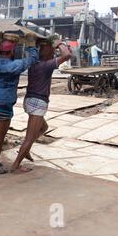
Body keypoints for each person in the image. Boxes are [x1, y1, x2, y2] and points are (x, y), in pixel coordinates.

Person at [11, 39, 72, 173]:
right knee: (29, 137)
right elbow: (67, 55)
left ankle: (26, 150)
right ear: (47, 52)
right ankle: (16, 164)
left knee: (44, 127)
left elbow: (66, 54)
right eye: (52, 49)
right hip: (38, 102)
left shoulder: (35, 63)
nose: (54, 51)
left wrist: (56, 46)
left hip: (30, 100)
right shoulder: (46, 65)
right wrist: (60, 44)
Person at [0, 30, 38, 175]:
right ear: (12, 51)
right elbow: (33, 58)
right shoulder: (16, 65)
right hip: (4, 106)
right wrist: (31, 44)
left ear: (0, 50)